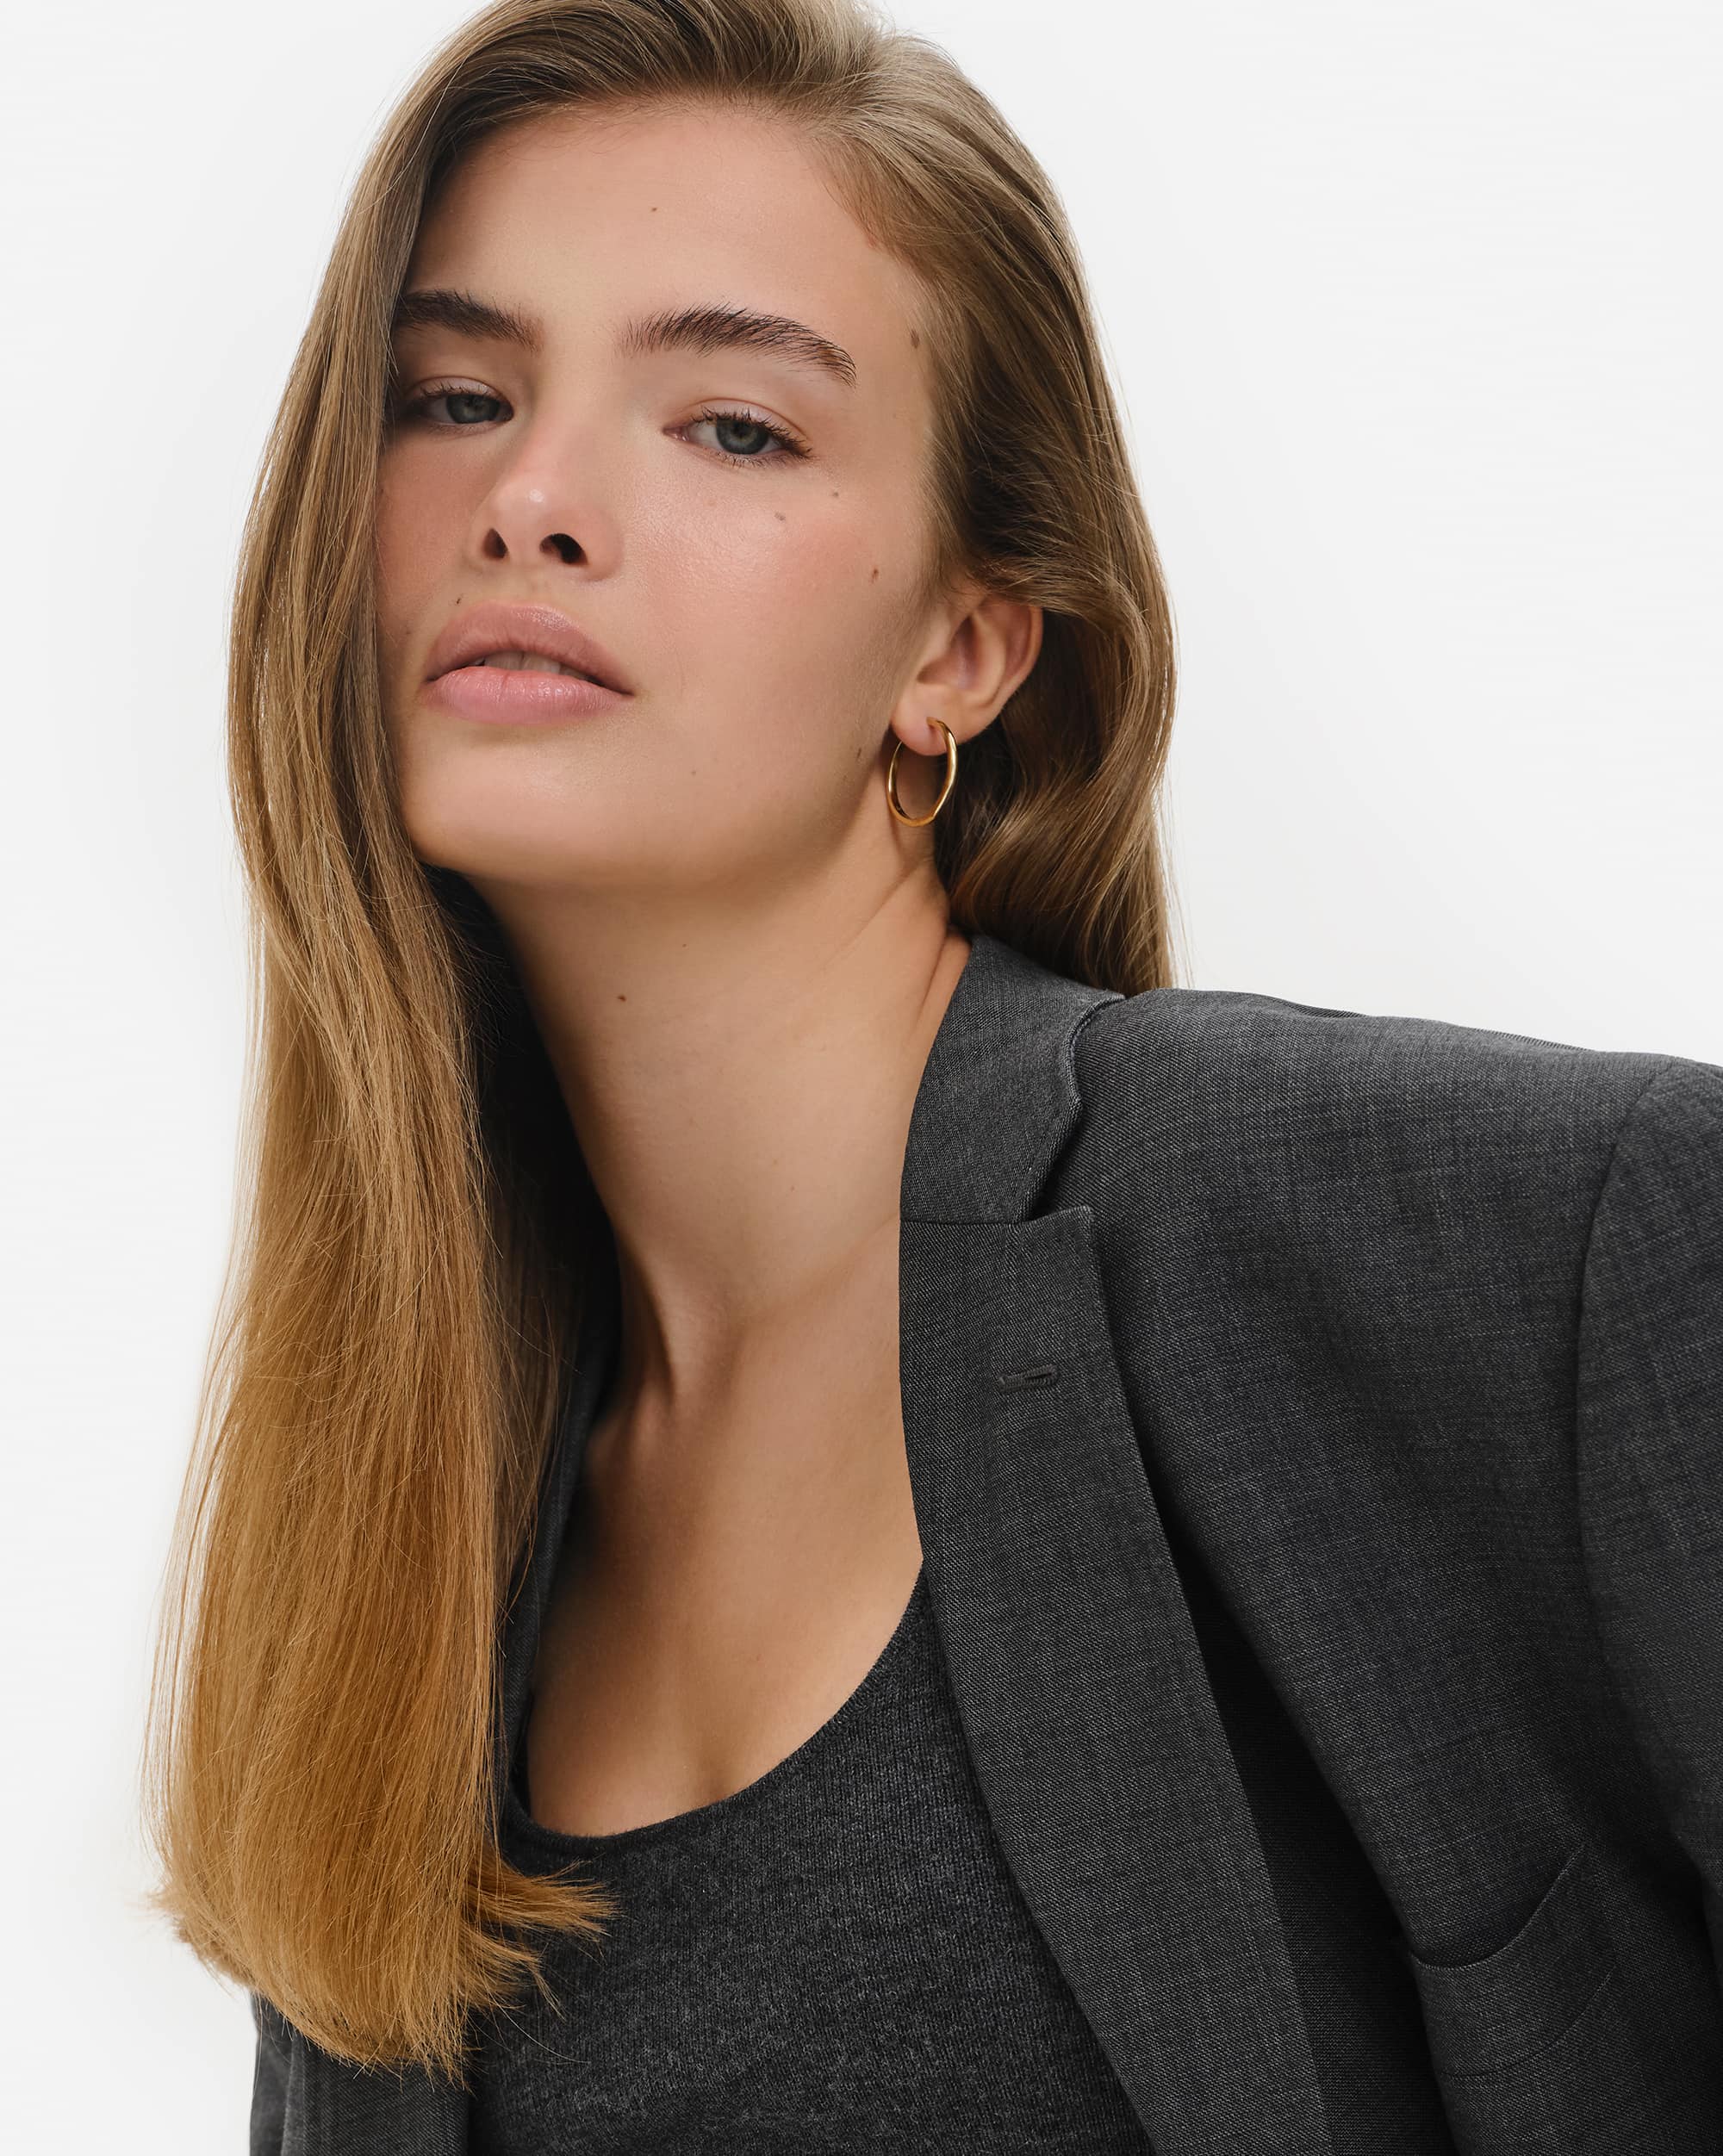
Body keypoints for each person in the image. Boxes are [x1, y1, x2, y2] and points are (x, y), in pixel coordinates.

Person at [140, 1, 1723, 2151]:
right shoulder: (397, 1560)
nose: (531, 500)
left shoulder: (1533, 1252)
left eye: (733, 427)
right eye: (455, 397)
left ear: (961, 649)